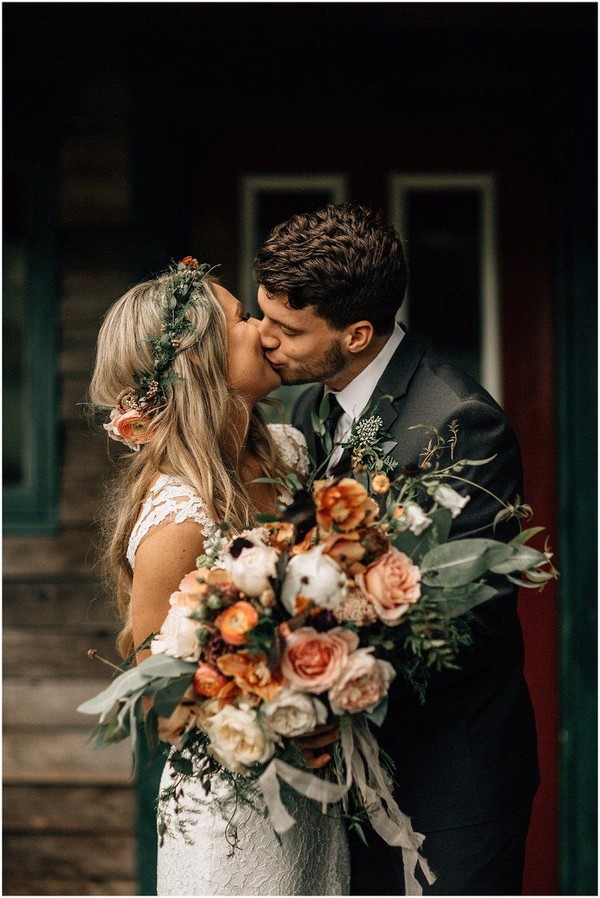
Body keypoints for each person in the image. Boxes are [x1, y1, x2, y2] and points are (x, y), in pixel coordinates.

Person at [253, 203, 540, 896]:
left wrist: (302, 680)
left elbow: (462, 626)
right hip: (347, 783)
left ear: (356, 334)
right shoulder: (308, 408)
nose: (262, 340)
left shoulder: (461, 424)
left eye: (287, 329)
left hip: (450, 783)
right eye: (263, 316)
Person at [88, 258, 350, 896]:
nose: (264, 328)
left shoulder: (289, 451)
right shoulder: (178, 519)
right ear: (199, 359)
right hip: (234, 811)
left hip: (318, 798)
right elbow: (160, 693)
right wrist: (276, 703)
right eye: (242, 318)